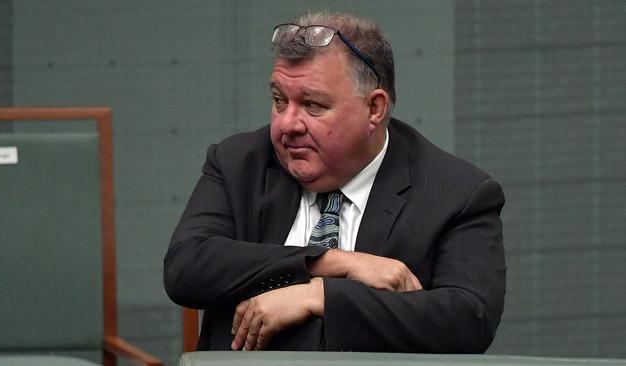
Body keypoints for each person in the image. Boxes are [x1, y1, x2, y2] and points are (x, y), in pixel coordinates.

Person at [164, 11, 505, 353]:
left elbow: (469, 319)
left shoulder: (456, 193)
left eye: (312, 105)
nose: (287, 124)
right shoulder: (240, 162)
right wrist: (329, 262)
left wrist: (322, 295)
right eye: (279, 101)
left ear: (374, 109)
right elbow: (186, 267)